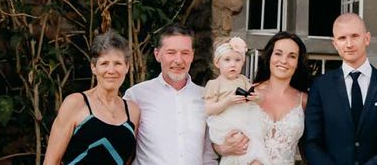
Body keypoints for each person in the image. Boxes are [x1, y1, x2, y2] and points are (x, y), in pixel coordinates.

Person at [124, 24, 243, 165]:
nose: (179, 60)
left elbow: (208, 155)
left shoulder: (206, 97)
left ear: (192, 55)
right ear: (157, 54)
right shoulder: (136, 96)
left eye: (185, 53)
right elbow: (125, 151)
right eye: (171, 52)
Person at [304, 13, 377, 165]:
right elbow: (311, 142)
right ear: (335, 44)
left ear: (366, 38)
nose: (349, 44)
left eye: (354, 36)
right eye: (342, 38)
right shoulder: (320, 86)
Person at [43, 30, 139, 165]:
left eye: (117, 63)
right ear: (93, 67)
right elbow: (50, 162)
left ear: (127, 67)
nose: (111, 70)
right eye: (104, 63)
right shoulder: (75, 103)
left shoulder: (133, 111)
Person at [204, 36, 269, 165]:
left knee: (253, 141)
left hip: (245, 117)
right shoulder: (214, 83)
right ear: (217, 63)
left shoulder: (243, 80)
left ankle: (254, 161)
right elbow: (208, 109)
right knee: (238, 144)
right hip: (226, 120)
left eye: (237, 60)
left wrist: (256, 98)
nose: (233, 64)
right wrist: (227, 101)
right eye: (227, 60)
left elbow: (259, 99)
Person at [252, 31, 311, 165]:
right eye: (278, 53)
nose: (283, 60)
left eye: (292, 56)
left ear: (297, 63)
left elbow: (310, 148)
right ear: (269, 56)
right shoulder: (249, 92)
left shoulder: (304, 101)